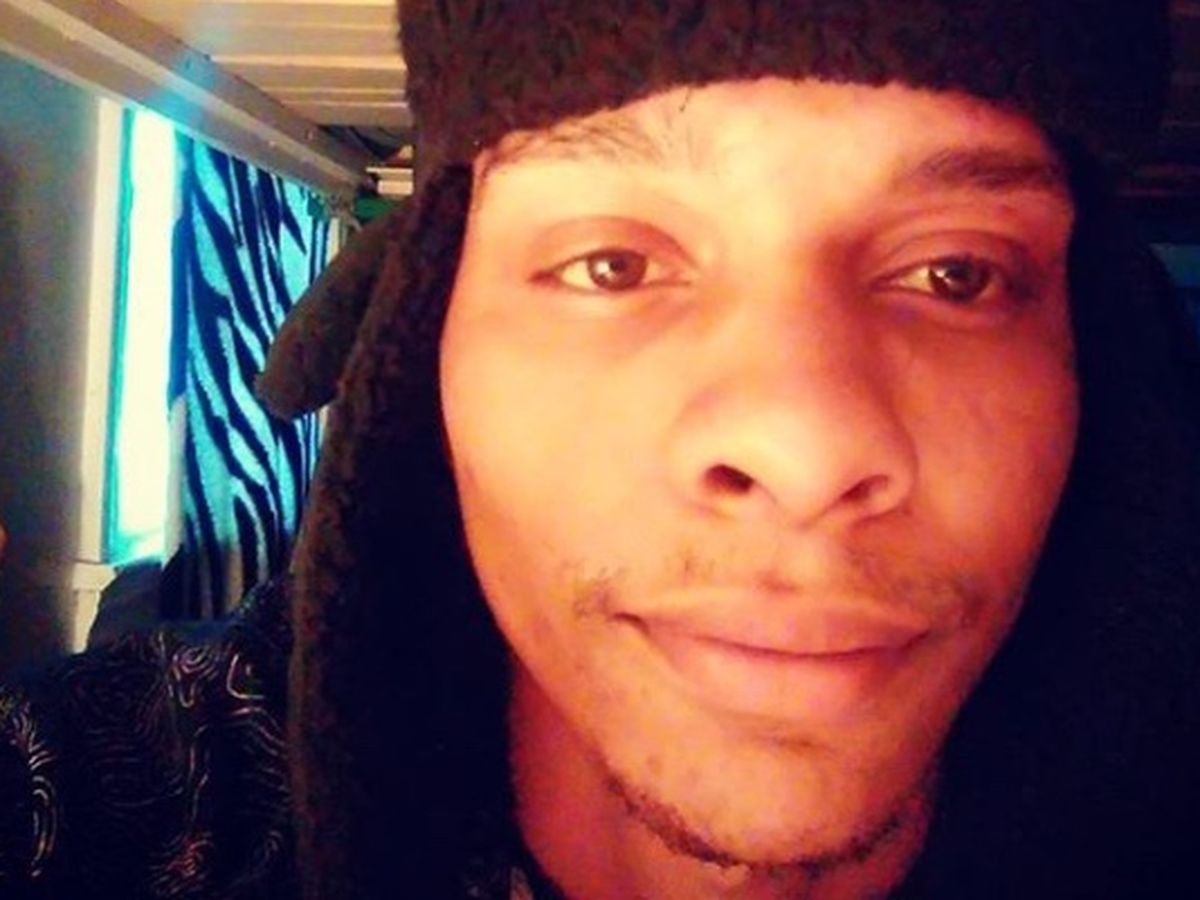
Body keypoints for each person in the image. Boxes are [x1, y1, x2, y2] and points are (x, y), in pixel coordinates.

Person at [3, 2, 1199, 898]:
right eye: (612, 265)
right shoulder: (114, 805)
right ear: (423, 326)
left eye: (957, 273)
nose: (805, 449)